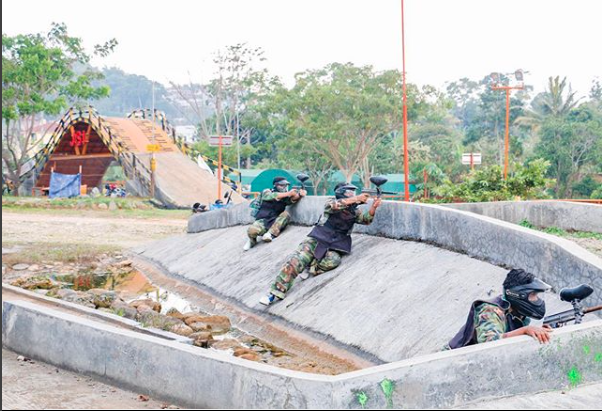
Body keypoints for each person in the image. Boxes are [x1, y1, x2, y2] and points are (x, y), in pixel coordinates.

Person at [259, 182, 382, 306]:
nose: (352, 194)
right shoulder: (331, 202)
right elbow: (335, 206)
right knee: (295, 261)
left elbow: (366, 220)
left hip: (336, 244)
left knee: (333, 260)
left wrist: (373, 208)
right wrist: (356, 199)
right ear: (340, 192)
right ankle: (273, 293)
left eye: (353, 192)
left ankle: (311, 267)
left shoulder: (354, 211)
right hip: (317, 238)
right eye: (349, 192)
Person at [445, 269, 553, 350]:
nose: (536, 299)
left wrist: (538, 332)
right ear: (518, 295)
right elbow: (489, 343)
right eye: (533, 295)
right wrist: (525, 330)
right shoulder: (489, 310)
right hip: (448, 364)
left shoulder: (516, 312)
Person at [244, 176, 307, 251]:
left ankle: (270, 234)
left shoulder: (285, 197)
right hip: (263, 220)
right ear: (275, 185)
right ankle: (252, 241)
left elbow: (292, 199)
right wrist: (289, 193)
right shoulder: (267, 191)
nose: (284, 187)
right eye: (282, 185)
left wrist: (300, 194)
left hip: (276, 220)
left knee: (285, 214)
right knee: (251, 231)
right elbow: (271, 196)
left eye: (285, 185)